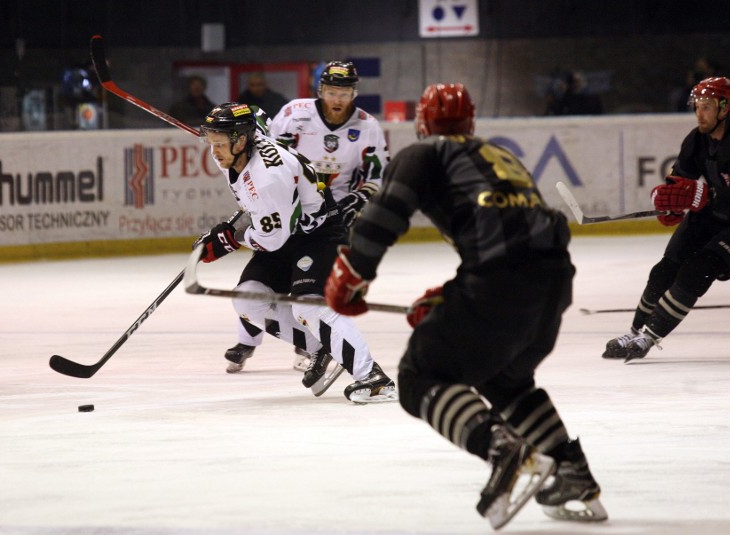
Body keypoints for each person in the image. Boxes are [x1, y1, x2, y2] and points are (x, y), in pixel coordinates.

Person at [324, 83, 607, 528]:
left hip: (503, 282)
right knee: (503, 377)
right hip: (553, 283)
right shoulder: (498, 156)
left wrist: (353, 272)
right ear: (471, 122)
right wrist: (449, 297)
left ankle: (502, 449)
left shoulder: (425, 153)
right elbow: (517, 235)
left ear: (422, 123)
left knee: (419, 376)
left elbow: (386, 211)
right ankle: (571, 471)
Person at [196, 102, 397, 404]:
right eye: (211, 142)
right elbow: (259, 117)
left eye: (221, 143)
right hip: (289, 231)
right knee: (247, 298)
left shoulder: (269, 176)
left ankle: (373, 378)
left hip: (318, 236)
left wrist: (231, 239)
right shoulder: (244, 145)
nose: (215, 151)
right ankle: (321, 347)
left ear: (241, 139)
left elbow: (273, 240)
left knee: (309, 307)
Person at [603, 77, 730, 362]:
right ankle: (635, 330)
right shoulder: (696, 139)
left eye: (707, 107)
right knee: (665, 268)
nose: (699, 113)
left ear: (724, 109)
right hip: (715, 211)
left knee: (698, 269)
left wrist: (704, 196)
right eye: (697, 106)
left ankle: (649, 338)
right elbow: (681, 181)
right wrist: (671, 204)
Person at [223, 60, 389, 374]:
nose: (337, 99)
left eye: (344, 92)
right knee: (253, 288)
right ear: (319, 90)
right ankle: (253, 339)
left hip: (327, 221)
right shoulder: (293, 114)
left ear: (354, 92)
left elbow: (376, 176)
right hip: (285, 211)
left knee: (308, 295)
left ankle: (320, 345)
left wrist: (358, 198)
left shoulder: (367, 127)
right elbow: (263, 152)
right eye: (330, 91)